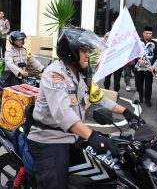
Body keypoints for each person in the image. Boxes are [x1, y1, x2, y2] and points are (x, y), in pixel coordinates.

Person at [27, 28, 143, 189]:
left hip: (72, 135)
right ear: (71, 52)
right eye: (84, 50)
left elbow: (99, 98)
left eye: (88, 50)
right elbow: (63, 114)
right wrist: (93, 137)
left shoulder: (80, 74)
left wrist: (126, 112)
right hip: (50, 139)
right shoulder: (54, 75)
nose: (88, 54)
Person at [134, 26, 157, 107]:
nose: (148, 34)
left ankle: (147, 100)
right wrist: (138, 60)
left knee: (148, 85)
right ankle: (139, 98)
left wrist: (155, 67)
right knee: (138, 84)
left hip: (150, 69)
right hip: (138, 68)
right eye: (147, 33)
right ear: (143, 33)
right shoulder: (137, 42)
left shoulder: (154, 43)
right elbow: (133, 53)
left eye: (150, 33)